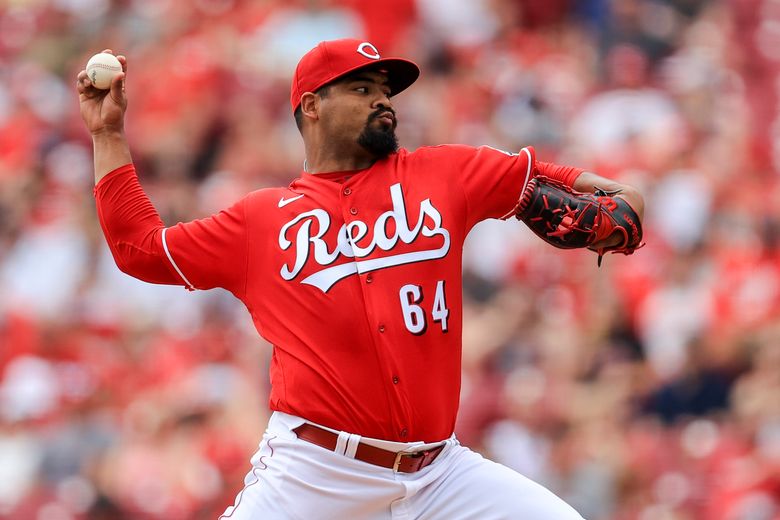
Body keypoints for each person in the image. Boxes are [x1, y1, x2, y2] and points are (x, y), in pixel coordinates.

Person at [76, 39, 643, 519]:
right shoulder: (260, 220)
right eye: (361, 88)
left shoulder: (444, 172)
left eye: (384, 90)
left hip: (441, 473)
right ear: (312, 106)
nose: (382, 100)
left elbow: (593, 191)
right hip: (316, 474)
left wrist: (614, 207)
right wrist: (107, 135)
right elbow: (140, 250)